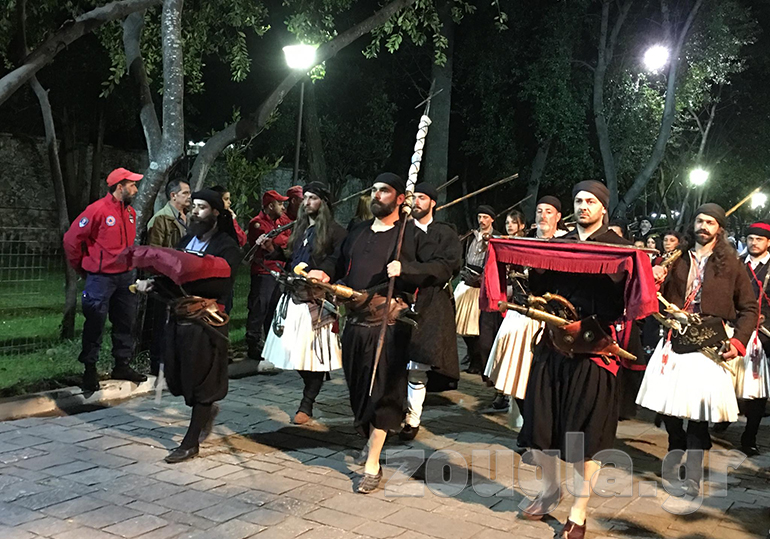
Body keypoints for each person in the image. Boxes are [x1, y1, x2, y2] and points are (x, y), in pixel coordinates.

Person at [518, 181, 648, 538]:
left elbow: (631, 300)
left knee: (584, 437)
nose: (583, 206)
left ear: (603, 208)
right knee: (538, 427)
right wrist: (535, 258)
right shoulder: (559, 245)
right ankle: (549, 490)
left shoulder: (620, 250)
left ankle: (579, 509)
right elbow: (537, 288)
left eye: (591, 201)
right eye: (578, 200)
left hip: (595, 351)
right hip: (554, 347)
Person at [308, 173, 434, 494]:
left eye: (385, 191)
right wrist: (325, 271)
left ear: (400, 199)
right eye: (375, 190)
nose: (377, 195)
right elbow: (338, 261)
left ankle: (373, 464)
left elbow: (442, 266)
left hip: (388, 325)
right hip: (356, 323)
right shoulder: (359, 231)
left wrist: (406, 270)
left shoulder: (409, 234)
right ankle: (372, 436)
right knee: (358, 392)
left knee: (382, 391)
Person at [636, 203, 758, 497]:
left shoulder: (732, 264)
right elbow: (651, 296)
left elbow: (749, 308)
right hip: (675, 338)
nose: (704, 226)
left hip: (709, 343)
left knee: (699, 412)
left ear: (720, 229)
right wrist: (653, 278)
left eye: (710, 223)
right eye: (700, 221)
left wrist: (738, 342)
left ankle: (692, 473)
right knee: (667, 407)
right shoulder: (676, 258)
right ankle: (675, 442)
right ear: (693, 225)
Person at [136, 189, 241, 463]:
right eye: (193, 206)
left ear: (216, 213)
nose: (195, 211)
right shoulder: (186, 240)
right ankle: (206, 412)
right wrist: (155, 284)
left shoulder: (227, 247)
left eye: (202, 207)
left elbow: (219, 285)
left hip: (206, 322)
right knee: (177, 378)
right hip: (179, 317)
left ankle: (191, 442)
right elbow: (174, 274)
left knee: (202, 382)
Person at [262, 182, 347, 424]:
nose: (307, 202)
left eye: (313, 198)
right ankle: (309, 392)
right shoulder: (300, 228)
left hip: (317, 299)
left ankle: (307, 403)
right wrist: (273, 250)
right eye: (306, 197)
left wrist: (323, 272)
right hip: (294, 296)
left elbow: (338, 260)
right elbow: (292, 257)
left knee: (313, 357)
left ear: (324, 203)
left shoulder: (336, 232)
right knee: (291, 351)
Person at [63, 168, 148, 392]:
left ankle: (122, 365)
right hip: (101, 278)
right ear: (120, 187)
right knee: (95, 322)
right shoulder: (97, 210)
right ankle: (89, 369)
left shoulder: (130, 213)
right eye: (132, 185)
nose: (136, 189)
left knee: (126, 321)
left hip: (125, 277)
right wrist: (82, 266)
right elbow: (71, 239)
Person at [484, 195, 562, 418]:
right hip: (520, 314)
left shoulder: (564, 245)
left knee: (542, 378)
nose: (543, 215)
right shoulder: (522, 244)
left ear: (558, 216)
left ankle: (539, 424)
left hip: (550, 319)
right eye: (539, 211)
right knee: (514, 374)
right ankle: (527, 423)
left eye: (548, 211)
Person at [400, 183, 463, 441]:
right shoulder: (401, 230)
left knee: (419, 363)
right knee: (398, 361)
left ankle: (412, 419)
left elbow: (445, 268)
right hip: (402, 299)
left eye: (422, 197)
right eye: (414, 197)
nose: (416, 201)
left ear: (433, 203)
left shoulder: (445, 233)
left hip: (433, 301)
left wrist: (409, 269)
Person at [732, 222, 770, 456]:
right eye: (751, 238)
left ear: (768, 242)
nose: (754, 243)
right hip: (735, 328)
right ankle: (722, 419)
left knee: (757, 389)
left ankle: (750, 437)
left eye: (759, 239)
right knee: (727, 381)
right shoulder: (736, 264)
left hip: (764, 335)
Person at [246, 190, 292, 369]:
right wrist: (280, 242)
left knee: (274, 310)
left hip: (278, 270)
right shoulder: (257, 223)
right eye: (280, 204)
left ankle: (271, 344)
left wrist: (281, 242)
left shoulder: (281, 221)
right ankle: (254, 345)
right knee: (259, 308)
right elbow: (273, 244)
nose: (283, 207)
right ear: (271, 206)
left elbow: (288, 241)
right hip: (263, 272)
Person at [455, 205, 500, 375]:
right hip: (467, 281)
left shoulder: (496, 238)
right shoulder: (471, 236)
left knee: (476, 328)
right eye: (480, 217)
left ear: (492, 219)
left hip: (481, 285)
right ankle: (471, 355)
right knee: (461, 325)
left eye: (485, 217)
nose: (482, 220)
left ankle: (478, 361)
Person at [147, 178, 191, 248]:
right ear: (173, 195)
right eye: (185, 193)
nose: (189, 196)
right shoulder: (160, 218)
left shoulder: (190, 216)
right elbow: (154, 248)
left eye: (189, 193)